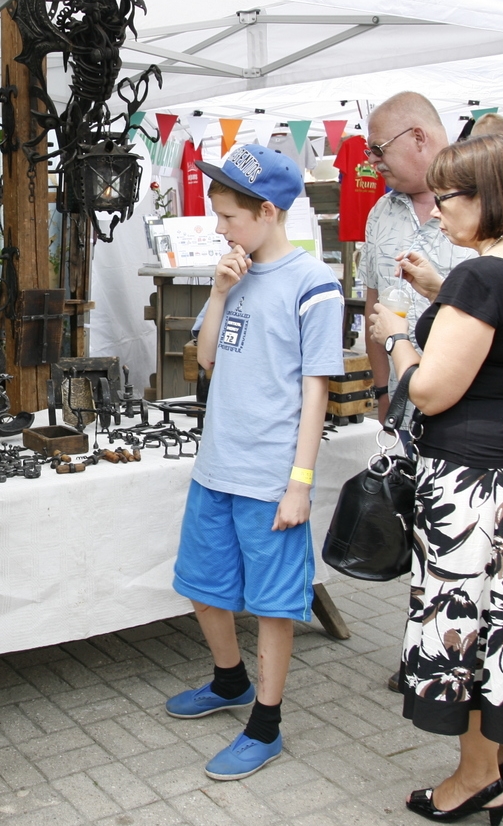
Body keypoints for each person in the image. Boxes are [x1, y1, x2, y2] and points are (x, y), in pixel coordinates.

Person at [369, 133, 503, 824]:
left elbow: (431, 392)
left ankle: (474, 778)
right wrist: (442, 290)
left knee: (471, 629)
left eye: (446, 199)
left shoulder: (482, 277)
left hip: (481, 486)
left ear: (488, 197)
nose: (435, 214)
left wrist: (399, 331)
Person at [163, 144, 343, 781]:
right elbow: (206, 359)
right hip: (217, 467)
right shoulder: (234, 275)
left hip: (271, 476)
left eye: (230, 217)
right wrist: (218, 290)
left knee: (272, 606)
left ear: (268, 211)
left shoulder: (314, 285)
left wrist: (300, 483)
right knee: (200, 587)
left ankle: (265, 726)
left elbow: (316, 391)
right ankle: (229, 680)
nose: (220, 228)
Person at [361, 94, 503, 428]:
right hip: (417, 412)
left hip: (484, 421)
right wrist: (384, 392)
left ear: (417, 136)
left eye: (379, 148)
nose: (372, 160)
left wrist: (397, 337)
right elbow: (376, 307)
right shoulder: (381, 212)